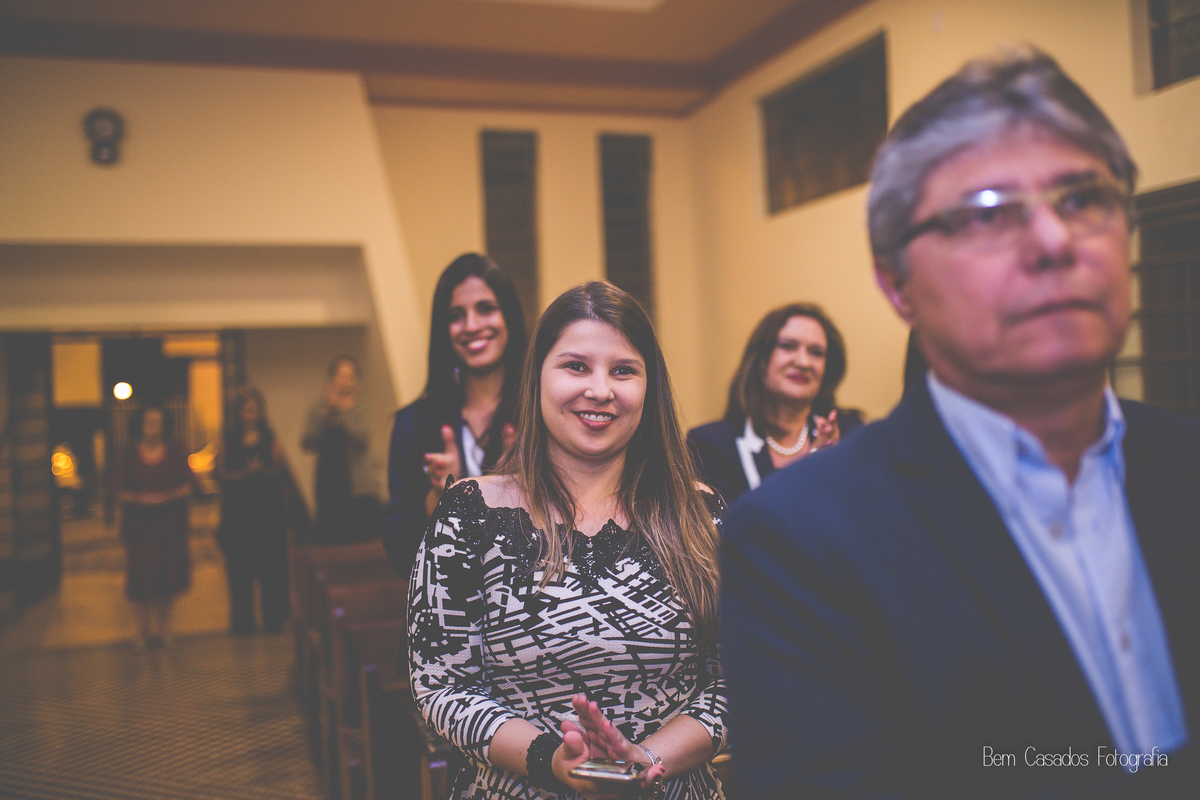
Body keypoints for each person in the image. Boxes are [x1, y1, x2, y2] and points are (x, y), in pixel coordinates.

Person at [720, 49, 1197, 798]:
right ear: (897, 284)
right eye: (990, 214)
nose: (1055, 241)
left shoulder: (1186, 463)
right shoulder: (802, 540)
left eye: (1083, 199)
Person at [408, 281, 727, 800]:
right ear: (537, 377)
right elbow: (443, 688)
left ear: (650, 388)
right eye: (576, 366)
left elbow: (738, 677)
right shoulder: (470, 513)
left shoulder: (700, 514)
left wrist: (644, 762)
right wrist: (552, 760)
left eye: (623, 370)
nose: (600, 390)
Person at [383, 253, 527, 574]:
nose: (472, 326)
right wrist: (438, 502)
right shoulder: (413, 425)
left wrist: (523, 488)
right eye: (456, 316)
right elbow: (399, 554)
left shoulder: (541, 416)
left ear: (509, 315)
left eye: (486, 308)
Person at [688, 303, 863, 501]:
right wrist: (814, 463)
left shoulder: (850, 434)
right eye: (788, 346)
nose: (803, 362)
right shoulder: (710, 445)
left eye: (816, 352)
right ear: (761, 359)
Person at [114, 405, 196, 650]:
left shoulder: (176, 451)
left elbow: (190, 484)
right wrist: (139, 499)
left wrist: (168, 496)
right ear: (139, 424)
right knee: (141, 577)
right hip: (140, 526)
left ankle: (165, 629)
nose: (153, 427)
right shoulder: (128, 454)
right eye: (149, 422)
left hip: (169, 524)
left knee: (167, 576)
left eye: (158, 422)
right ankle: (141, 630)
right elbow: (117, 488)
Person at [218, 386, 289, 635]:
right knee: (239, 570)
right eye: (246, 411)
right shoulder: (229, 439)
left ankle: (273, 618)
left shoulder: (269, 437)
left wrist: (262, 470)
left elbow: (279, 469)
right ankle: (243, 622)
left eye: (254, 410)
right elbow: (222, 473)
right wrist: (244, 473)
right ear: (239, 413)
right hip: (238, 513)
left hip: (266, 512)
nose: (250, 415)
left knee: (271, 568)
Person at [301, 355, 380, 544]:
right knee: (330, 540)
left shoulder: (362, 408)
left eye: (350, 377)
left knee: (358, 539)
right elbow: (307, 443)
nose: (344, 381)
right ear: (331, 378)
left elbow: (363, 440)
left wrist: (342, 414)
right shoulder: (319, 408)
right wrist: (326, 415)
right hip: (328, 484)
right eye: (340, 376)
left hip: (356, 486)